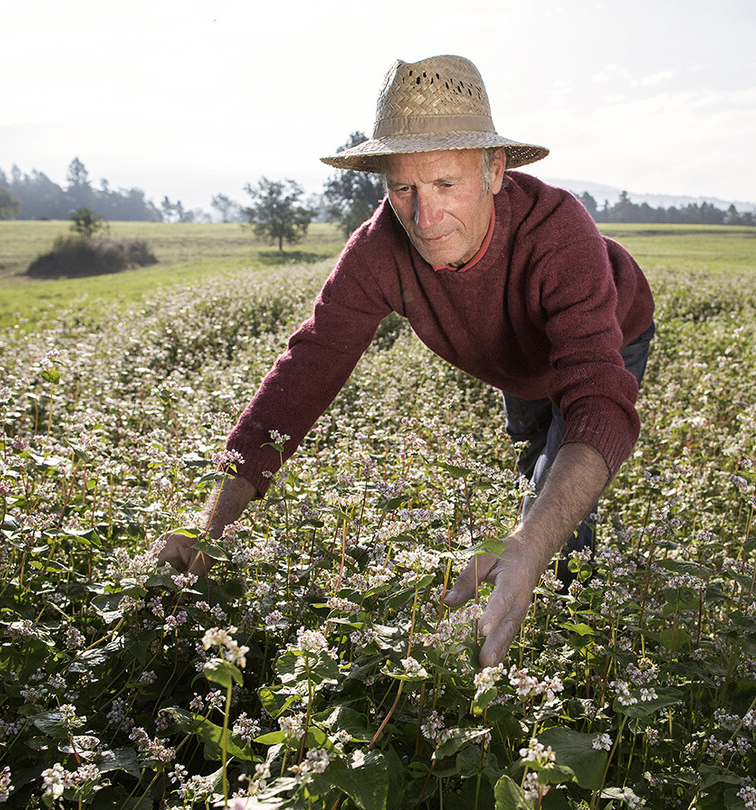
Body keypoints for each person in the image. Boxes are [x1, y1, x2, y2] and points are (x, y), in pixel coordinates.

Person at [158, 54, 655, 668]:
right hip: (512, 358)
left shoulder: (559, 234)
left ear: (495, 170)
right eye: (403, 189)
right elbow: (305, 372)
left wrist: (529, 542)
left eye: (446, 185)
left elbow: (598, 404)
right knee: (535, 452)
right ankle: (537, 533)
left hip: (607, 337)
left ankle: (566, 622)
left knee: (556, 488)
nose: (424, 217)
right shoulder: (377, 251)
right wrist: (214, 525)